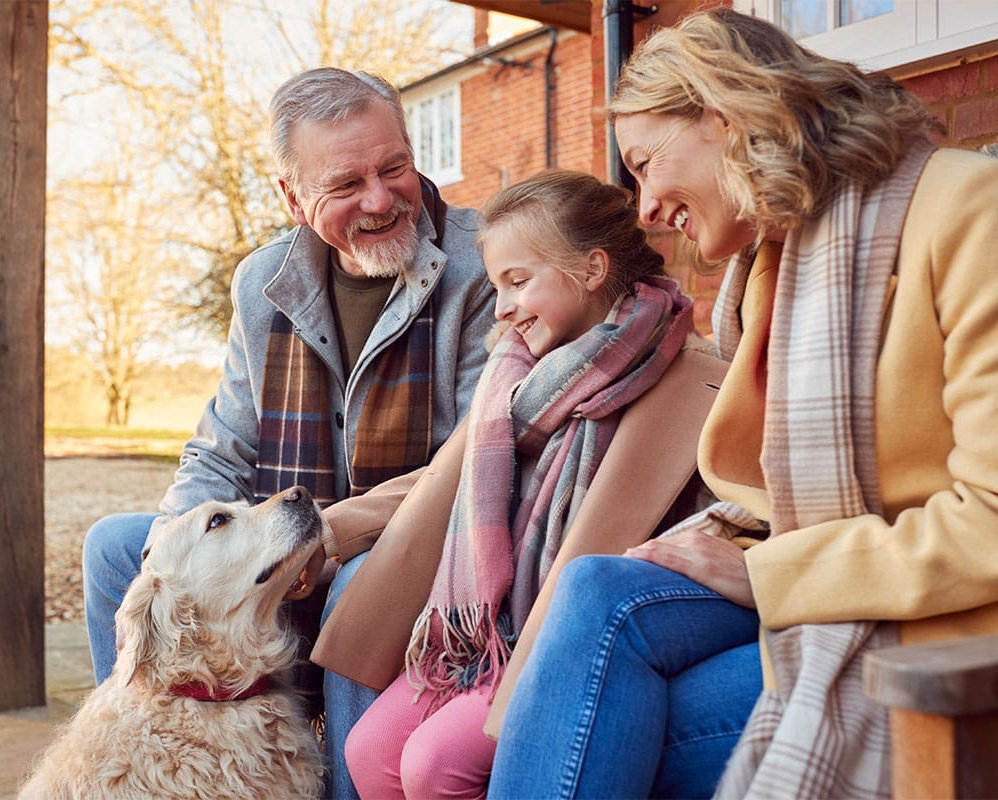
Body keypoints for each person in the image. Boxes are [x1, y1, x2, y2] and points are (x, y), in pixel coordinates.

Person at [486, 8, 998, 799]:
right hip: (821, 576)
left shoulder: (970, 212)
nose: (645, 206)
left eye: (646, 162)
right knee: (594, 589)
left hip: (948, 621)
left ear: (725, 113)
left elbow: (990, 523)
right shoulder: (774, 267)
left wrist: (768, 574)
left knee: (598, 721)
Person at [81, 67, 496, 799]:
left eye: (394, 167)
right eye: (345, 185)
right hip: (289, 538)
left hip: (413, 549)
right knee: (119, 550)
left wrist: (326, 538)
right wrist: (167, 560)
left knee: (359, 587)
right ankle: (148, 768)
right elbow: (222, 448)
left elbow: (475, 457)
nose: (379, 199)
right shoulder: (262, 280)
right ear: (293, 198)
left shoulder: (482, 263)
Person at [335, 169, 720, 799]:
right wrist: (334, 527)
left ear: (592, 269)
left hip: (557, 630)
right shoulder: (512, 374)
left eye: (520, 281)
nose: (505, 305)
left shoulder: (686, 376)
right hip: (482, 631)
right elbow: (442, 482)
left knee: (435, 763)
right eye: (496, 286)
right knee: (368, 749)